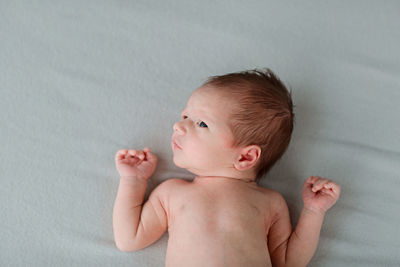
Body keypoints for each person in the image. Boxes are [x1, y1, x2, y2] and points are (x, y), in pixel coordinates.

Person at [113, 68, 341, 267]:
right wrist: (133, 181)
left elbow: (288, 261)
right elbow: (129, 239)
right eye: (185, 115)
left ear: (246, 157)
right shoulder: (171, 193)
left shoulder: (269, 202)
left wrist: (313, 212)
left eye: (201, 123)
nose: (178, 125)